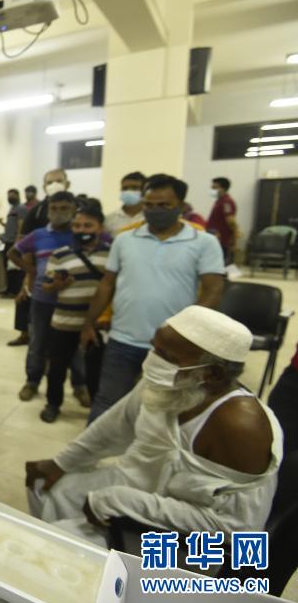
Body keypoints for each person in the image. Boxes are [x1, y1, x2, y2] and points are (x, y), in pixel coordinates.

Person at [26, 306, 282, 547]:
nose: (152, 360)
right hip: (136, 485)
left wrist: (121, 502)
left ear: (212, 374)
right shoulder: (170, 381)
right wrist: (61, 462)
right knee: (45, 487)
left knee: (56, 545)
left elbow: (238, 531)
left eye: (167, 357)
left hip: (183, 541)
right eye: (154, 348)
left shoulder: (241, 427)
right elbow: (115, 425)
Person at [82, 174, 226, 422]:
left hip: (172, 347)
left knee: (164, 412)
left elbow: (213, 289)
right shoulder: (124, 239)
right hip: (122, 340)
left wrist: (186, 331)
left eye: (164, 205)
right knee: (107, 402)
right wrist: (88, 323)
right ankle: (90, 448)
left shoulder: (204, 242)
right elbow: (107, 284)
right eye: (149, 205)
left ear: (181, 206)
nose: (154, 210)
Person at [38, 201, 110, 422]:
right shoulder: (60, 254)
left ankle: (95, 412)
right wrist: (57, 285)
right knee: (57, 368)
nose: (82, 230)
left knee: (95, 370)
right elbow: (46, 286)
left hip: (97, 325)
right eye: (77, 226)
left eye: (88, 226)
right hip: (64, 322)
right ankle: (53, 404)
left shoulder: (111, 254)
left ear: (100, 228)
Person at [8, 191, 80, 402]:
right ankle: (32, 381)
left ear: (74, 209)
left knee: (76, 347)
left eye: (64, 208)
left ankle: (80, 385)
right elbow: (12, 253)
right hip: (42, 300)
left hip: (73, 301)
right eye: (54, 208)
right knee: (37, 343)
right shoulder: (38, 235)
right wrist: (30, 270)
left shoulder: (79, 234)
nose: (58, 213)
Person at [8, 170, 71, 347]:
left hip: (73, 278)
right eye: (50, 182)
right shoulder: (36, 211)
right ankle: (25, 335)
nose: (54, 185)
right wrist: (30, 272)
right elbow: (22, 242)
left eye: (59, 181)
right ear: (44, 187)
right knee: (30, 307)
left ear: (67, 183)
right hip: (39, 271)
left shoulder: (79, 208)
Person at [0, 188, 28, 297]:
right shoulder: (12, 208)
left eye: (12, 195)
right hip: (8, 241)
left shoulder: (21, 208)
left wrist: (17, 242)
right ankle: (9, 289)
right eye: (8, 195)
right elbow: (12, 226)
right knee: (8, 267)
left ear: (18, 195)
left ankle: (14, 291)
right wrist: (2, 224)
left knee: (15, 268)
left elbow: (21, 224)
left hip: (14, 242)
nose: (9, 197)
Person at [208, 177, 240, 265]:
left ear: (223, 188)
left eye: (214, 187)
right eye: (211, 188)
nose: (212, 190)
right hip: (215, 239)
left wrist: (235, 239)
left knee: (223, 265)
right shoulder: (219, 201)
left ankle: (227, 274)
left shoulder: (227, 202)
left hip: (222, 240)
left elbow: (231, 221)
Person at [104, 171, 146, 236]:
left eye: (134, 187)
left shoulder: (150, 217)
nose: (129, 191)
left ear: (144, 190)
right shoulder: (109, 219)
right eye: (125, 188)